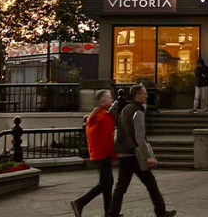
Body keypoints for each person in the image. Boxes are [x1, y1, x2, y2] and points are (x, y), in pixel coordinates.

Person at [108, 84, 176, 217]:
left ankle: (112, 214)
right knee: (151, 183)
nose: (147, 95)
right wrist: (148, 156)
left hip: (123, 153)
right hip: (134, 154)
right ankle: (161, 212)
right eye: (144, 93)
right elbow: (140, 137)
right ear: (138, 95)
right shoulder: (138, 111)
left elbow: (119, 131)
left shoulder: (125, 109)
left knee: (121, 187)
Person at [71, 89, 116, 217]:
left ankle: (109, 212)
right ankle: (80, 202)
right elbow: (109, 138)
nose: (112, 100)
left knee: (108, 182)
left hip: (96, 153)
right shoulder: (105, 116)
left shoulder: (93, 115)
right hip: (104, 153)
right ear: (103, 101)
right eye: (109, 98)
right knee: (105, 183)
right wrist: (113, 155)